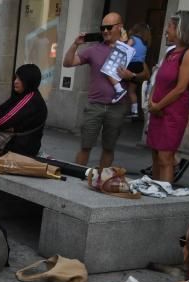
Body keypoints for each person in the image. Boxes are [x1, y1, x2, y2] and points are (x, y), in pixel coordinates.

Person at [61, 12, 133, 169]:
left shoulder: (129, 50)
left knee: (109, 147)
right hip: (95, 105)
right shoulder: (93, 50)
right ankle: (76, 178)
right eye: (103, 28)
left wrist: (131, 75)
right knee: (85, 145)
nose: (105, 31)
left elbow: (144, 74)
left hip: (117, 106)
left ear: (120, 27)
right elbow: (67, 63)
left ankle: (102, 180)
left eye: (109, 27)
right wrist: (75, 44)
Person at [146, 11, 189, 184]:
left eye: (169, 26)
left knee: (165, 157)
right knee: (155, 153)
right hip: (157, 109)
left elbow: (181, 88)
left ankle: (164, 193)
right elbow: (158, 80)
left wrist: (158, 105)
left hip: (172, 112)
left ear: (180, 29)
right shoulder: (170, 53)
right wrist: (151, 101)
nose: (166, 31)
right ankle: (152, 191)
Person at [0, 64, 48, 158]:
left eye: (20, 79)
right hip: (17, 144)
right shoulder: (22, 95)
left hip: (20, 149)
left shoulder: (30, 99)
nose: (15, 82)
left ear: (29, 81)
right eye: (16, 78)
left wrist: (3, 124)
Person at [125, 24, 151, 118]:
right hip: (139, 66)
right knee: (132, 91)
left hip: (131, 64)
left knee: (120, 82)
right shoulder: (145, 43)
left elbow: (126, 49)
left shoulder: (133, 38)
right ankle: (134, 111)